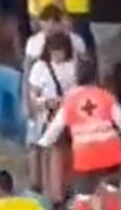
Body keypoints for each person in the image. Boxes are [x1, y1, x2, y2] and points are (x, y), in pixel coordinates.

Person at [36, 57, 121, 210]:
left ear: (76, 78)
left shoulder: (70, 100)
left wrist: (43, 143)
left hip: (86, 156)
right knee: (112, 191)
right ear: (95, 77)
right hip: (111, 153)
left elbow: (55, 128)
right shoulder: (105, 96)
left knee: (84, 196)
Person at [25, 31, 79, 203]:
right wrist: (45, 103)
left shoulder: (74, 67)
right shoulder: (40, 68)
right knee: (50, 152)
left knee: (66, 153)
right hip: (47, 116)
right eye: (53, 51)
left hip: (69, 114)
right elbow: (33, 94)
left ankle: (63, 190)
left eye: (60, 51)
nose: (57, 55)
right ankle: (53, 193)